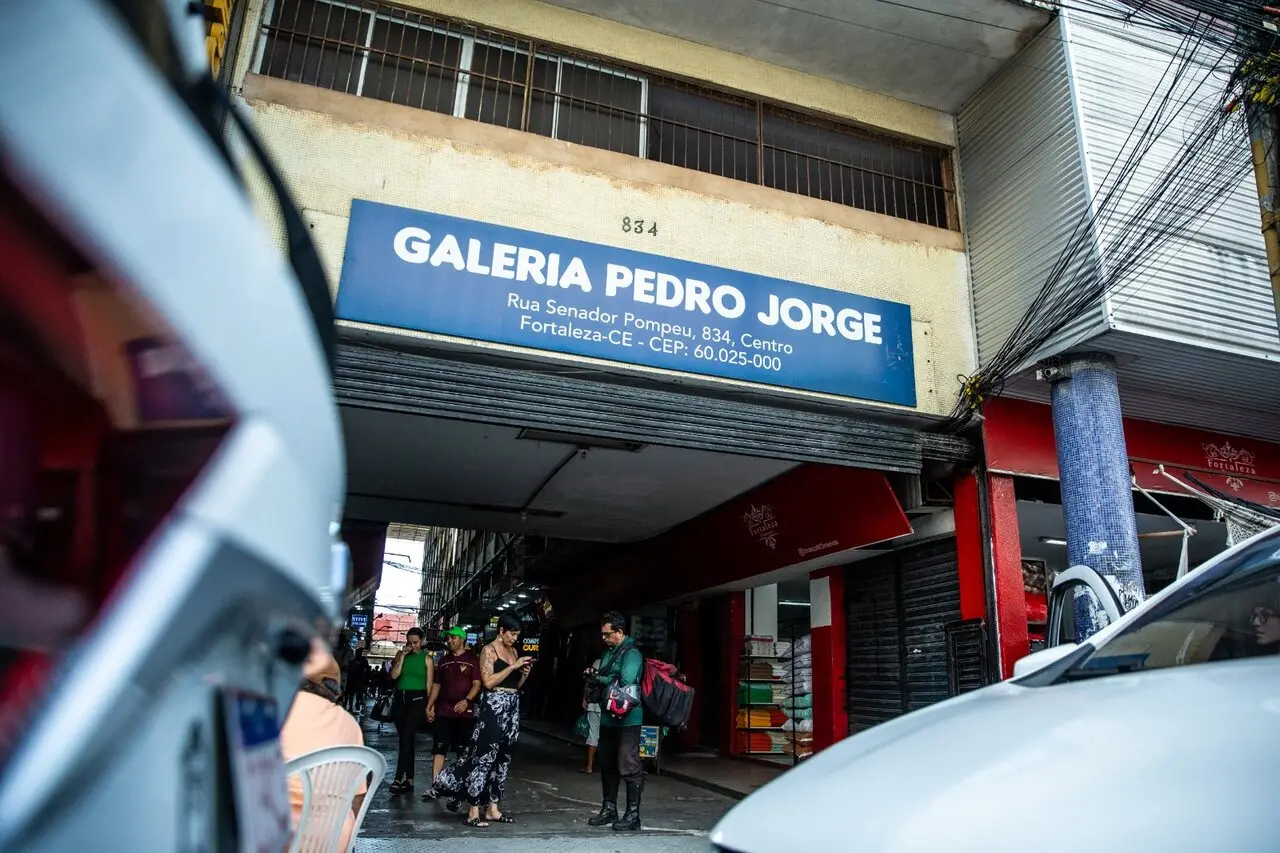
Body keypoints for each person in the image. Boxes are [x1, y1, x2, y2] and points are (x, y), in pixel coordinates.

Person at [428, 613, 533, 827]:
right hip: (493, 708)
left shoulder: (513, 651)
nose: (515, 639)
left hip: (512, 707)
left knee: (503, 758)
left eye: (517, 635)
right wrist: (513, 667)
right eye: (512, 634)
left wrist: (523, 674)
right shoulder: (488, 650)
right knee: (484, 756)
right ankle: (473, 811)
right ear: (501, 631)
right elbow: (488, 682)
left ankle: (493, 808)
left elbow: (514, 686)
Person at [280, 635, 368, 852]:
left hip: (278, 836)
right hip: (333, 838)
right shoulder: (349, 724)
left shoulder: (271, 713)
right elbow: (358, 797)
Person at [586, 611, 645, 832]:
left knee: (628, 765)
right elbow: (611, 677)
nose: (604, 638)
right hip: (609, 718)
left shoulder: (632, 654)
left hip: (628, 720)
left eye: (607, 634)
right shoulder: (609, 652)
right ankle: (609, 809)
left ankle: (633, 815)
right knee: (608, 764)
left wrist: (599, 678)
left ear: (619, 633)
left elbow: (627, 681)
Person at [426, 627, 481, 788]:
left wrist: (466, 700)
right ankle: (435, 785)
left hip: (465, 713)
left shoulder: (473, 660)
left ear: (462, 639)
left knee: (462, 749)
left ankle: (462, 784)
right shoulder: (443, 661)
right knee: (439, 747)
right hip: (443, 711)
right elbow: (437, 685)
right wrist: (430, 706)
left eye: (453, 638)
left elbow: (477, 684)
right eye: (448, 638)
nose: (449, 641)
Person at [389, 627, 434, 794]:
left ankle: (398, 777)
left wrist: (430, 707)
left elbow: (429, 684)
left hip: (418, 700)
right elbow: (394, 676)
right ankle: (410, 779)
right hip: (400, 700)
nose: (413, 646)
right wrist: (402, 657)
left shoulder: (427, 659)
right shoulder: (401, 656)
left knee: (406, 737)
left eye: (415, 642)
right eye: (409, 642)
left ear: (422, 641)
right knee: (406, 739)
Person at [581, 655, 602, 774]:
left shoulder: (597, 662)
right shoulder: (617, 664)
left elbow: (589, 682)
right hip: (611, 706)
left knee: (593, 735)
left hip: (594, 704)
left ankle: (589, 766)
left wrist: (585, 698)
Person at [344, 647, 370, 714]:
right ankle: (350, 707)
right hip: (352, 679)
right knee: (350, 694)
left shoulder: (364, 661)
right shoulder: (352, 659)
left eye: (359, 652)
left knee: (358, 694)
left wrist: (366, 678)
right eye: (357, 652)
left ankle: (356, 703)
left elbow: (367, 670)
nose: (358, 653)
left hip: (359, 679)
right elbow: (348, 667)